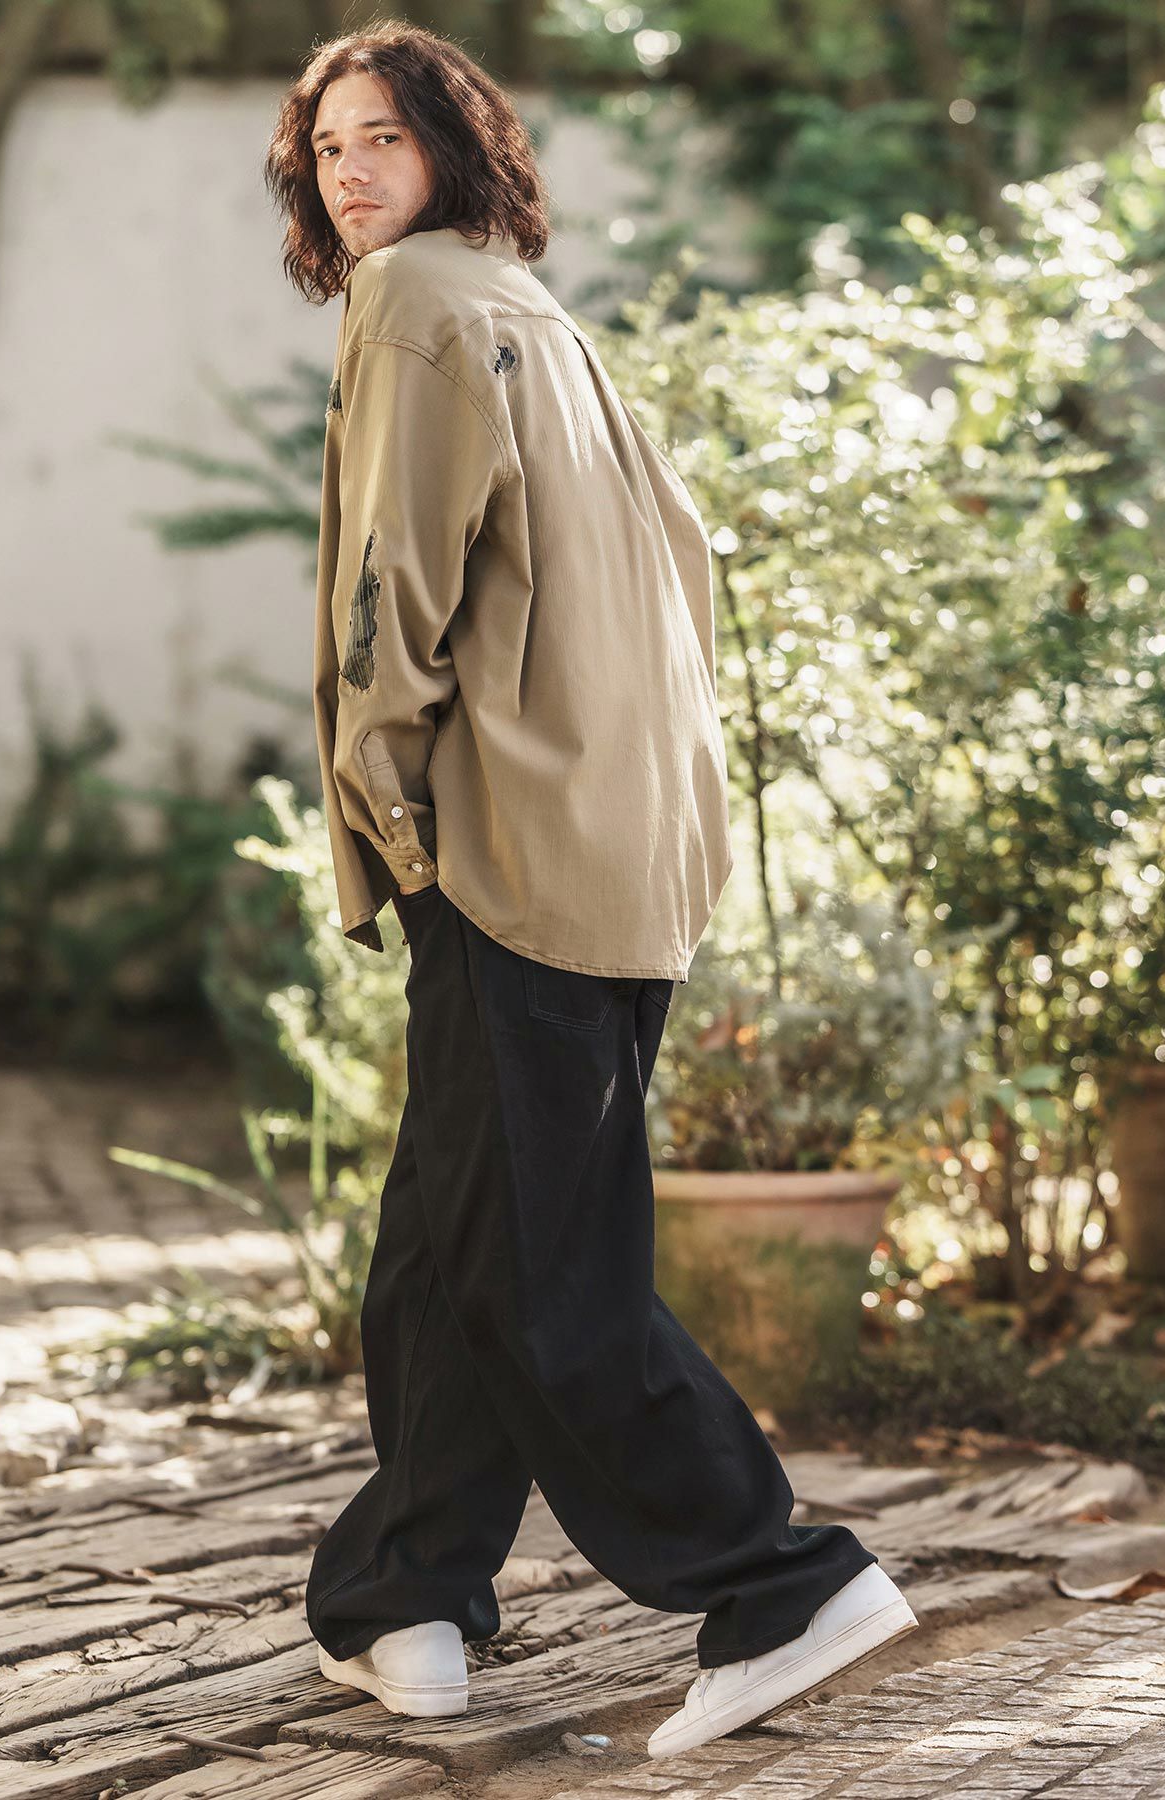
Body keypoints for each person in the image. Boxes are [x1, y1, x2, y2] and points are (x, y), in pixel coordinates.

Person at [263, 19, 916, 1760]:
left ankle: (777, 1581)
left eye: (384, 135)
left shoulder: (411, 300)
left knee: (536, 1267)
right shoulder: (528, 309)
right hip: (618, 847)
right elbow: (678, 565)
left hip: (511, 854)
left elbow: (393, 586)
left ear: (452, 147)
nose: (351, 169)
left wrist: (392, 815)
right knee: (448, 1236)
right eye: (328, 144)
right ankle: (402, 1597)